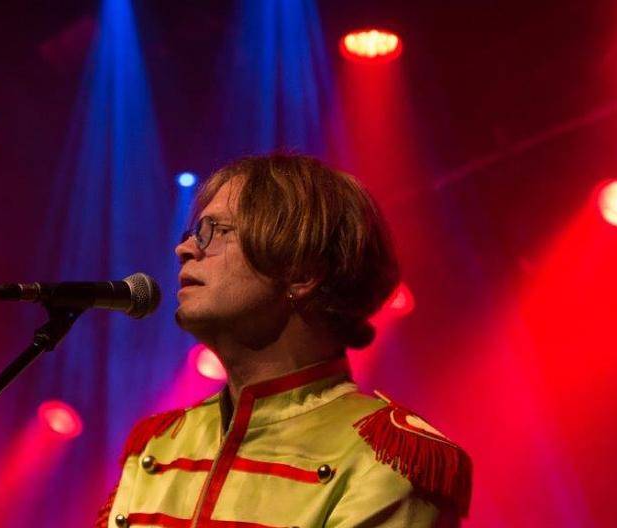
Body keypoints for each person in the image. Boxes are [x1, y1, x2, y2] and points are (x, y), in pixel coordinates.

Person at [97, 154, 471, 527]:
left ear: (302, 272)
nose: (186, 249)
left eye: (215, 231)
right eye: (194, 233)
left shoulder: (386, 460)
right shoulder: (158, 445)